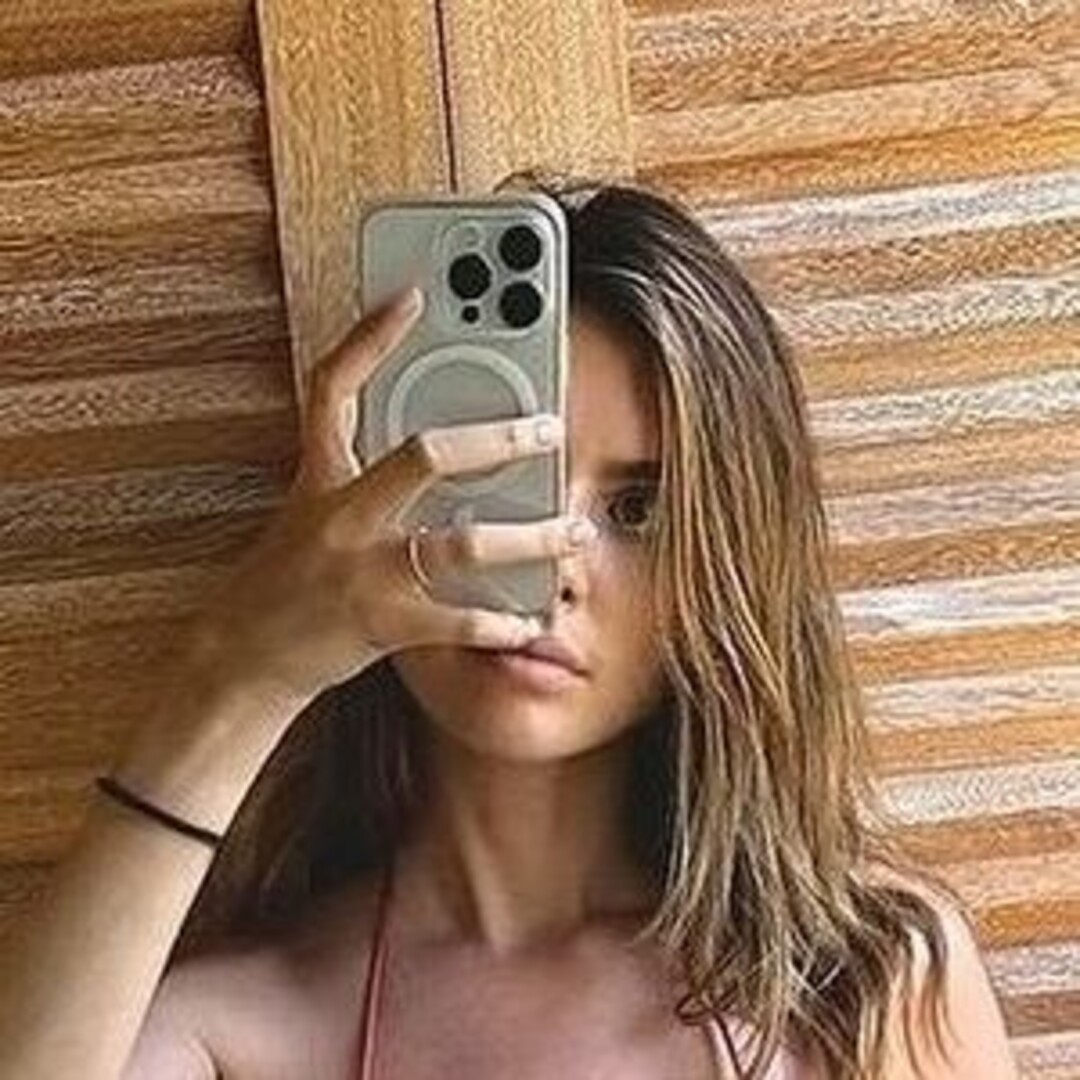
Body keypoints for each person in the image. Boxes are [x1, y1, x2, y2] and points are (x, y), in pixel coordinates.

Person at [0, 173, 1018, 1080]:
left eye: (638, 509)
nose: (552, 561)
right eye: (497, 482)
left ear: (734, 562)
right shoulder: (245, 1023)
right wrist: (242, 673)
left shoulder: (866, 981)